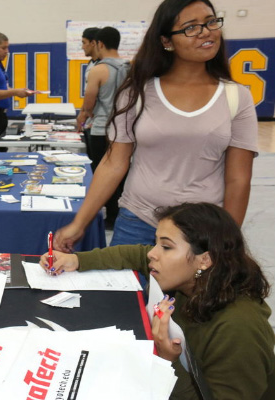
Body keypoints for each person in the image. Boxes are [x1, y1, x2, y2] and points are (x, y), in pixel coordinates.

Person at [54, 0, 258, 252]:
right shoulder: (136, 93)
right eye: (190, 27)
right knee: (127, 293)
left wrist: (228, 243)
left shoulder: (236, 97)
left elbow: (239, 178)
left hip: (202, 232)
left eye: (211, 22)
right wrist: (80, 222)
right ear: (166, 41)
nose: (206, 32)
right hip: (137, 221)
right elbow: (114, 163)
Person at [41, 202, 274, 399]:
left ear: (205, 260)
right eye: (156, 243)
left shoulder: (238, 328)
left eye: (166, 247)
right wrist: (77, 260)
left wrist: (167, 362)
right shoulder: (193, 280)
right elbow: (137, 255)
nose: (153, 253)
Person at [75, 26, 128, 229]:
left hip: (101, 129)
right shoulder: (130, 67)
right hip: (124, 130)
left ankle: (110, 216)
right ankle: (120, 214)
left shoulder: (99, 69)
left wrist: (80, 118)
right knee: (123, 171)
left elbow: (88, 104)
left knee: (103, 172)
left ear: (100, 44)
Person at [78, 27, 101, 153]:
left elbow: (96, 96)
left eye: (84, 43)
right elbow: (88, 94)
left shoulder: (102, 66)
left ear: (93, 43)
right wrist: (82, 112)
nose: (82, 47)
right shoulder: (90, 63)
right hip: (88, 121)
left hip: (98, 123)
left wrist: (84, 113)